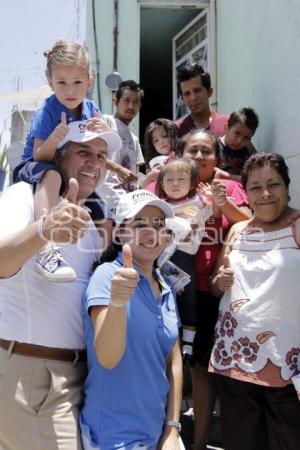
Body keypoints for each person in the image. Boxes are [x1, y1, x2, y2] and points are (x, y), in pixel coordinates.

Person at [0, 125, 122, 450]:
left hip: (78, 377)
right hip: (32, 376)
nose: (94, 163)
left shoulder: (93, 226)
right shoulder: (23, 196)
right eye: (84, 152)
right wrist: (43, 230)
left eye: (101, 156)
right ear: (60, 156)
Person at [13, 39, 125, 282]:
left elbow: (101, 148)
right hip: (38, 167)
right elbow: (39, 156)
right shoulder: (48, 111)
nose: (70, 90)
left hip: (71, 175)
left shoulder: (91, 107)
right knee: (51, 175)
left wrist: (105, 129)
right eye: (61, 83)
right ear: (50, 81)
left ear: (89, 81)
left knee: (106, 219)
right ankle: (46, 248)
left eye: (77, 82)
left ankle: (102, 265)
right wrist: (54, 138)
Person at [209, 153, 300, 450]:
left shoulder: (297, 226)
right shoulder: (238, 230)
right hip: (234, 360)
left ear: (287, 187)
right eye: (255, 187)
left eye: (273, 184)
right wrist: (218, 282)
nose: (265, 194)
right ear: (245, 193)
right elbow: (215, 286)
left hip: (288, 366)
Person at [80, 189, 183, 450]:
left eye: (158, 224)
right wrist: (117, 302)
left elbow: (174, 360)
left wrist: (172, 427)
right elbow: (107, 357)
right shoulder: (108, 275)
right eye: (139, 224)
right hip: (115, 435)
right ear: (120, 234)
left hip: (158, 431)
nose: (151, 232)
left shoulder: (165, 285)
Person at [175, 129, 251, 450]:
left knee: (203, 369)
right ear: (181, 154)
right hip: (172, 291)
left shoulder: (231, 186)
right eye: (193, 150)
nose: (200, 156)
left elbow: (248, 221)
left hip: (212, 292)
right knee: (169, 364)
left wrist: (225, 202)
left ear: (217, 158)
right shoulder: (171, 182)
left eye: (207, 151)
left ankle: (200, 442)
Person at [155, 158, 212, 362]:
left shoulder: (197, 201)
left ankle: (188, 343)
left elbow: (198, 219)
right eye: (169, 179)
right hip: (161, 259)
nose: (176, 184)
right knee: (164, 298)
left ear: (192, 182)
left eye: (181, 179)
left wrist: (208, 202)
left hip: (184, 255)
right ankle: (165, 339)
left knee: (188, 298)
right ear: (161, 183)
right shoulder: (159, 206)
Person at [98, 80, 145, 209]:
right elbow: (92, 156)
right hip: (106, 200)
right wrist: (118, 169)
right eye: (126, 100)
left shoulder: (134, 139)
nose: (131, 106)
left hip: (128, 204)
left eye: (136, 102)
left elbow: (135, 175)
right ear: (116, 102)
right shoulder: (105, 121)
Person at [175, 63, 228, 137]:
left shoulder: (228, 124)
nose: (193, 98)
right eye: (187, 94)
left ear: (209, 91)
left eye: (197, 91)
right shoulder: (175, 131)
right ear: (182, 99)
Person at [217, 107, 259, 179]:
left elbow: (256, 169)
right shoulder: (214, 146)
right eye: (237, 133)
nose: (239, 141)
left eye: (246, 138)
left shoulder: (248, 150)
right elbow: (209, 169)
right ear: (226, 127)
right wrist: (234, 177)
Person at [142, 118, 179, 187]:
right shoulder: (151, 167)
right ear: (152, 146)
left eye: (165, 136)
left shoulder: (183, 157)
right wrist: (149, 177)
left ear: (175, 135)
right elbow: (145, 191)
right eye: (156, 140)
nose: (161, 141)